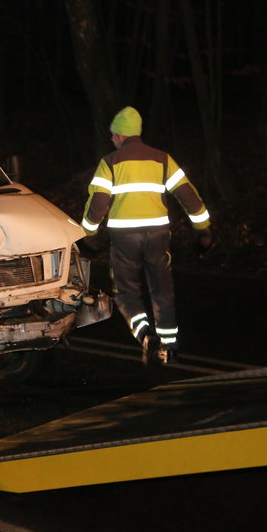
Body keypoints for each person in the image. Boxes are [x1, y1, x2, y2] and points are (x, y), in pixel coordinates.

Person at [80, 106, 211, 366]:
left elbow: (98, 204)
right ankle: (169, 347)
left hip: (124, 238)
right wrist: (203, 230)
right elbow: (189, 196)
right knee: (162, 290)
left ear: (120, 135)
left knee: (126, 291)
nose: (111, 139)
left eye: (113, 135)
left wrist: (89, 236)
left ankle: (145, 335)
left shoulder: (110, 162)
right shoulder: (162, 159)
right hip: (158, 235)